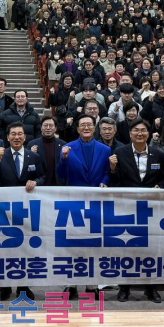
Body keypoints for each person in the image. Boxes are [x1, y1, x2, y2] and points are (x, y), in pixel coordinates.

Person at [109, 118, 164, 303]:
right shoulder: (120, 152)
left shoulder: (157, 154)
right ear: (130, 134)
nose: (140, 133)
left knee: (151, 249)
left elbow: (162, 178)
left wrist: (159, 186)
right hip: (127, 208)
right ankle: (124, 287)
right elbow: (114, 182)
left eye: (143, 130)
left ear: (148, 134)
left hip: (151, 209)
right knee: (127, 248)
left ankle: (151, 288)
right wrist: (112, 168)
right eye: (136, 130)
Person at [0, 122, 44, 300]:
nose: (17, 137)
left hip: (27, 211)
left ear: (25, 137)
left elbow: (43, 176)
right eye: (13, 134)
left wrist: (36, 182)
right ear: (7, 137)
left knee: (25, 248)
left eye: (20, 134)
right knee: (4, 248)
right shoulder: (0, 155)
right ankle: (5, 286)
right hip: (4, 209)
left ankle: (23, 286)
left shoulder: (33, 156)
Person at [57, 114, 109, 300]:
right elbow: (61, 174)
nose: (86, 128)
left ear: (95, 128)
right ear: (78, 129)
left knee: (94, 244)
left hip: (96, 202)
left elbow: (107, 172)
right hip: (74, 202)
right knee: (72, 244)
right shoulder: (68, 148)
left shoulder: (105, 149)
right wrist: (63, 159)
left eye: (89, 125)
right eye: (82, 125)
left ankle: (91, 285)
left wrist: (104, 182)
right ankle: (70, 284)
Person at [27, 117, 66, 186]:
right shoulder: (32, 144)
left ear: (55, 128)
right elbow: (27, 166)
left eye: (51, 125)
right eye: (45, 125)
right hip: (38, 186)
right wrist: (31, 155)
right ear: (41, 128)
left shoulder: (63, 145)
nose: (48, 128)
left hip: (58, 186)